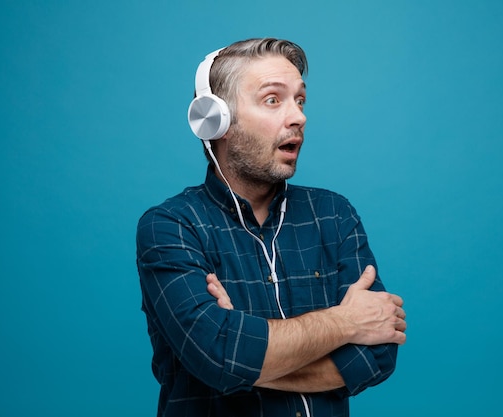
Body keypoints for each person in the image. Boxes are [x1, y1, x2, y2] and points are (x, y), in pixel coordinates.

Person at [136, 37, 407, 417]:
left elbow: (377, 355)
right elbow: (217, 355)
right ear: (215, 120)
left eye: (300, 100)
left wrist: (244, 353)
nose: (298, 117)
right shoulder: (171, 227)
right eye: (273, 100)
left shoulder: (334, 214)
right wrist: (346, 322)